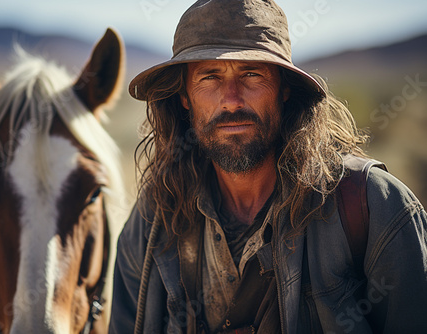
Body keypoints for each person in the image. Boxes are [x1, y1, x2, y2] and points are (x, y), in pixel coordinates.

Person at [109, 0, 427, 333]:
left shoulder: (372, 206)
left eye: (251, 74)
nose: (231, 99)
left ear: (284, 88)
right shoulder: (153, 221)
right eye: (209, 77)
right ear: (185, 96)